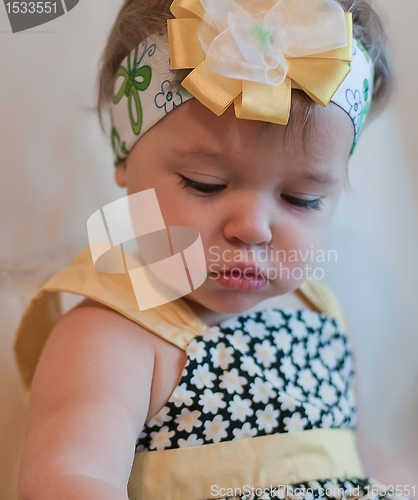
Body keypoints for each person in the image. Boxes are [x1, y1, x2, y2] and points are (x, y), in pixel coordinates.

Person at [15, 0, 407, 499]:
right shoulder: (116, 334)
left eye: (301, 199)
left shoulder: (321, 312)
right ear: (126, 161)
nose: (252, 228)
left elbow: (365, 457)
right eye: (205, 184)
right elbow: (67, 478)